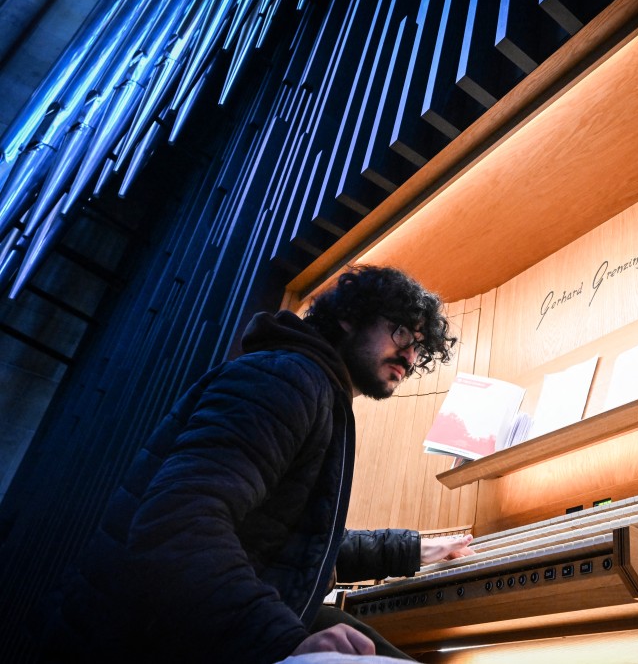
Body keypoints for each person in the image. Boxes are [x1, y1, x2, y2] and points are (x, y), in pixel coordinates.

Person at [38, 265, 473, 663]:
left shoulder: (313, 386)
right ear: (349, 317)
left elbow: (299, 542)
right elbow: (178, 524)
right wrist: (283, 639)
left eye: (418, 348)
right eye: (400, 333)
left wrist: (416, 549)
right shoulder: (286, 379)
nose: (410, 358)